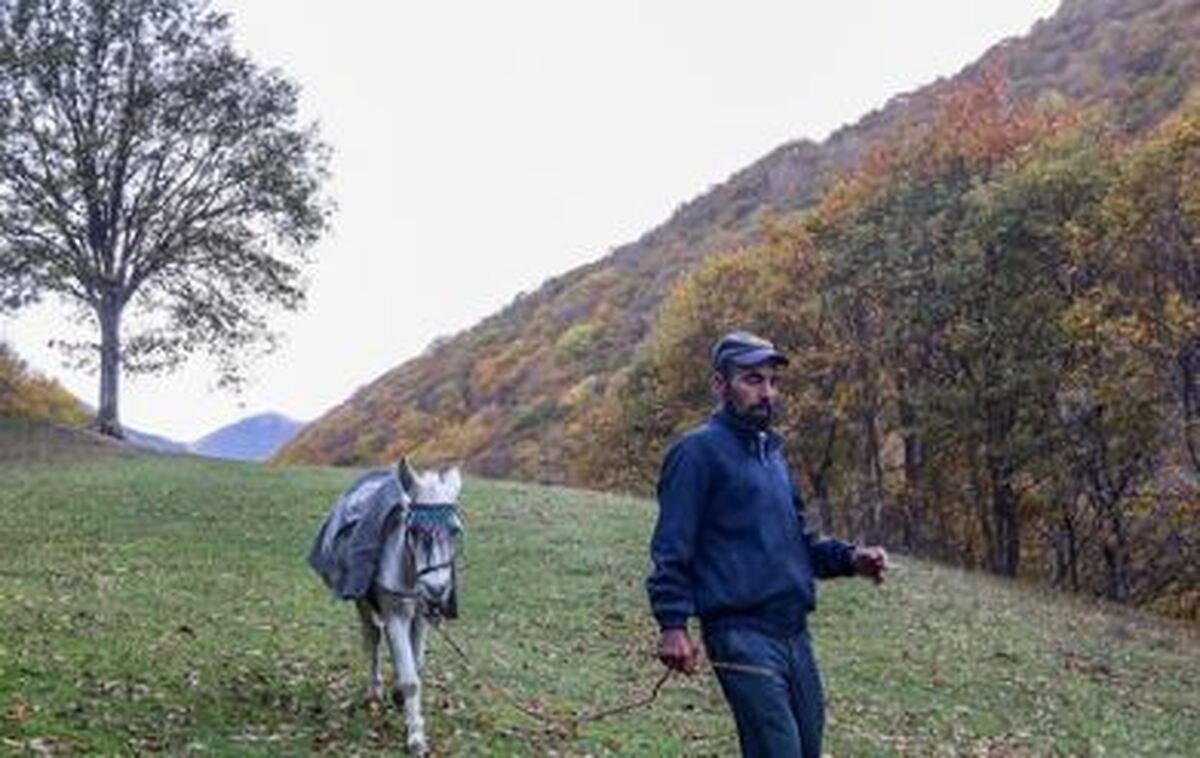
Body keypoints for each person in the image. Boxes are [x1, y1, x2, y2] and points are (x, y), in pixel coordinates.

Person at [646, 330, 888, 758]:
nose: (768, 392)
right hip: (740, 633)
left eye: (773, 382)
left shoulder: (772, 453)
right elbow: (671, 546)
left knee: (806, 750)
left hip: (794, 633)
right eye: (753, 380)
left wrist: (852, 559)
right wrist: (672, 625)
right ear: (721, 384)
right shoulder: (697, 452)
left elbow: (801, 544)